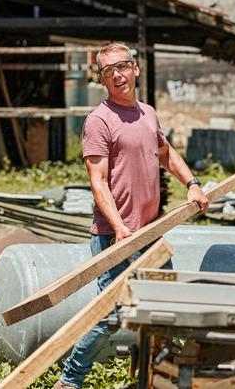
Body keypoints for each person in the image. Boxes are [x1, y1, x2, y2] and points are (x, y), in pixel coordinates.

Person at [53, 42, 209, 389]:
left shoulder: (147, 113)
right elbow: (99, 183)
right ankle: (69, 381)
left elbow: (166, 154)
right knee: (110, 315)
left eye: (122, 67)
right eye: (108, 71)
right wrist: (120, 227)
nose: (117, 75)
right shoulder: (98, 121)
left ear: (135, 69)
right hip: (115, 237)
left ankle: (154, 378)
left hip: (150, 234)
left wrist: (193, 184)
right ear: (101, 80)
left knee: (162, 306)